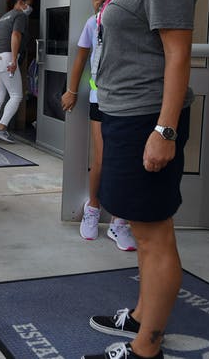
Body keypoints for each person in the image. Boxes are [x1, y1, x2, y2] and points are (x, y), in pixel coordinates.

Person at [81, 0, 199, 359]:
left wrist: (164, 130)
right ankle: (141, 314)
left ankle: (146, 346)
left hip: (147, 114)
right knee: (141, 224)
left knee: (153, 235)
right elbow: (128, 32)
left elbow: (177, 54)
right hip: (124, 110)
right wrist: (104, 4)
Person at [62, 14, 136, 251]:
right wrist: (71, 91)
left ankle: (119, 221)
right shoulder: (93, 23)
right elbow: (81, 58)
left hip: (130, 100)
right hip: (100, 99)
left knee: (125, 161)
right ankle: (92, 208)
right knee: (102, 158)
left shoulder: (133, 19)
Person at [0, 0, 33, 143]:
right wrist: (13, 60)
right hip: (6, 57)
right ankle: (1, 128)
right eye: (29, 4)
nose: (30, 8)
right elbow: (15, 35)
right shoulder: (20, 15)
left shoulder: (3, 17)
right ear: (21, 3)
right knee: (16, 95)